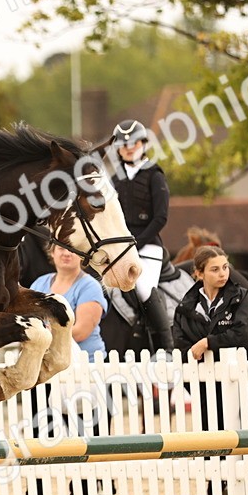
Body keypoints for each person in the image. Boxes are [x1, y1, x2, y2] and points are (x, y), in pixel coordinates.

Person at [109, 120, 172, 350]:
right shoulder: (114, 180)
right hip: (120, 249)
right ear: (118, 149)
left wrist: (136, 244)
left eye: (134, 143)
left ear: (143, 144)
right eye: (124, 144)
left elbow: (161, 217)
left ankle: (166, 345)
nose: (129, 148)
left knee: (143, 289)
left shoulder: (154, 174)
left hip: (148, 247)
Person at [173, 246, 248, 360]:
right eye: (215, 269)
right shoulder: (184, 308)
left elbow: (246, 335)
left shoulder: (241, 297)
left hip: (237, 373)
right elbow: (180, 345)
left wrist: (208, 343)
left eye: (225, 267)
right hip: (199, 375)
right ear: (200, 274)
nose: (223, 274)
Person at [29, 243, 107, 356]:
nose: (66, 253)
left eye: (73, 250)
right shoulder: (39, 283)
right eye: (61, 248)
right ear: (52, 252)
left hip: (85, 362)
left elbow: (81, 333)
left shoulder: (90, 286)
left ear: (82, 256)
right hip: (47, 361)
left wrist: (40, 334)